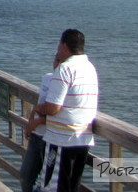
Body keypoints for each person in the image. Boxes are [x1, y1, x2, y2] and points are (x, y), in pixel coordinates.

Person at [32, 29, 99, 192]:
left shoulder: (65, 69)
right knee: (71, 186)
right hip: (83, 138)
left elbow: (53, 107)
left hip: (62, 139)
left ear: (63, 46)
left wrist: (38, 108)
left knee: (53, 186)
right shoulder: (89, 68)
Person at [21, 56, 62, 192]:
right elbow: (39, 103)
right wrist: (31, 123)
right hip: (36, 135)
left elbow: (60, 113)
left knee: (48, 182)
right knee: (25, 176)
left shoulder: (65, 83)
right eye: (56, 60)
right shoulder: (47, 78)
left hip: (52, 140)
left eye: (60, 61)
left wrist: (38, 121)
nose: (57, 64)